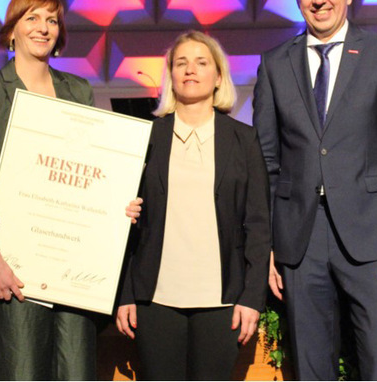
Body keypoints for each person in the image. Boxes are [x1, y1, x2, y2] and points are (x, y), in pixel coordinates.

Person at [0, 0, 141, 380]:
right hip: (13, 264)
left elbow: (95, 174)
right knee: (20, 371)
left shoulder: (79, 91)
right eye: (32, 18)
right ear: (12, 30)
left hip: (73, 268)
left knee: (76, 372)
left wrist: (118, 204)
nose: (43, 28)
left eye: (52, 20)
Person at [253, 0, 377, 380]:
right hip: (299, 240)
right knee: (310, 369)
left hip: (374, 237)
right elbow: (266, 162)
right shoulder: (273, 64)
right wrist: (269, 242)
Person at [115, 30, 271, 381]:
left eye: (201, 63)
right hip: (155, 299)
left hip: (222, 299)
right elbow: (128, 229)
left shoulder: (244, 140)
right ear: (171, 76)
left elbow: (259, 225)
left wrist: (251, 298)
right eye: (181, 63)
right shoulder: (146, 137)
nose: (190, 70)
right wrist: (126, 294)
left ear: (218, 77)